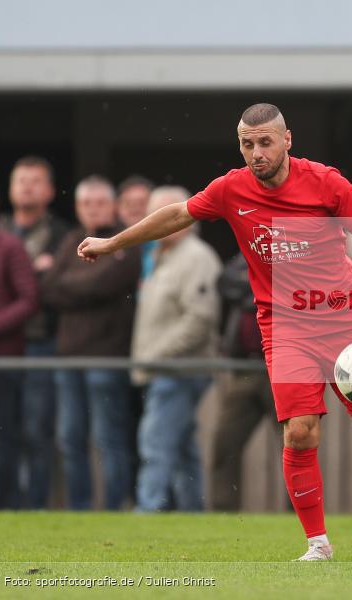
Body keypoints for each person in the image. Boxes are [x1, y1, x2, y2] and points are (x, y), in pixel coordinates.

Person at [76, 103, 352, 561]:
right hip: (284, 328)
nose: (256, 153)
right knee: (300, 432)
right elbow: (176, 215)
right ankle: (318, 544)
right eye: (247, 143)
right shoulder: (231, 189)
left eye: (265, 142)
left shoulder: (326, 182)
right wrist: (112, 242)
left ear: (287, 140)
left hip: (342, 318)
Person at [42, 175, 141, 510]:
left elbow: (102, 284)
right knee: (70, 439)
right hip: (68, 358)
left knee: (108, 439)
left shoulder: (124, 243)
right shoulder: (71, 240)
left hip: (107, 357)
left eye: (100, 202)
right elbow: (49, 289)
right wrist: (79, 284)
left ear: (113, 206)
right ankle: (80, 508)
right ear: (77, 207)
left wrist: (72, 284)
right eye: (86, 203)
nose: (93, 209)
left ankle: (114, 508)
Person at [130, 186, 222, 512]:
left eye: (157, 215)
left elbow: (200, 318)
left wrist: (155, 355)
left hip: (179, 369)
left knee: (156, 441)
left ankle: (148, 508)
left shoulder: (196, 257)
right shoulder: (161, 258)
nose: (149, 222)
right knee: (182, 446)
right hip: (167, 369)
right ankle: (191, 512)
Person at [0, 155, 69, 509]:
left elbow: (56, 288)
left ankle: (35, 505)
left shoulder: (64, 237)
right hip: (4, 346)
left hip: (43, 343)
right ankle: (6, 502)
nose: (26, 186)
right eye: (20, 179)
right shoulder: (0, 233)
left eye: (34, 180)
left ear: (50, 190)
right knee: (2, 429)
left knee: (38, 429)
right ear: (9, 190)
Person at [210, 252, 277, 511]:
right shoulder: (249, 248)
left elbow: (283, 290)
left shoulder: (297, 251)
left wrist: (255, 286)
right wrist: (259, 287)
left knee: (296, 447)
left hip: (284, 368)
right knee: (224, 443)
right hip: (245, 367)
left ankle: (302, 517)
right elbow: (225, 283)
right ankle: (223, 513)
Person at [0, 218, 39, 509]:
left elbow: (29, 299)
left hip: (2, 360)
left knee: (1, 435)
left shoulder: (9, 245)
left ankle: (3, 505)